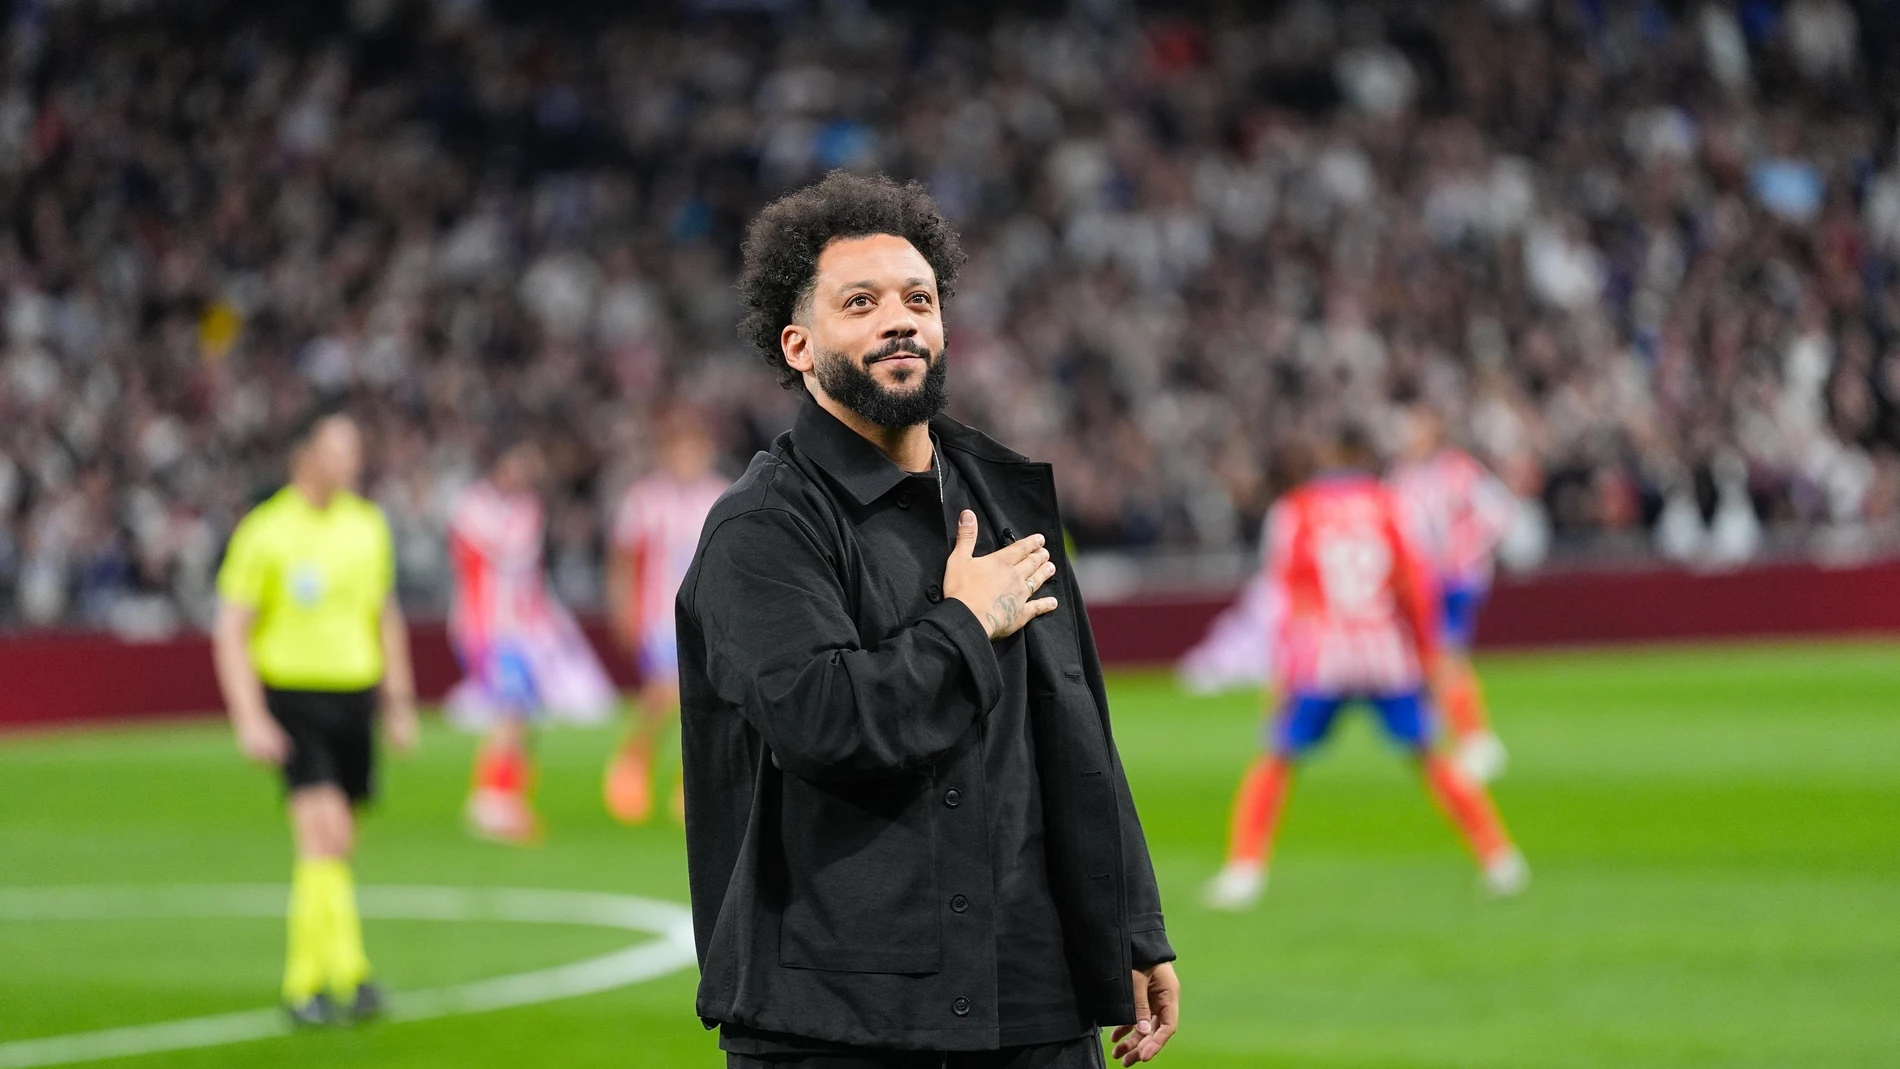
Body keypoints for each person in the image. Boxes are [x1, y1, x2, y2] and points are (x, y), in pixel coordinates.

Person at [677, 171, 1180, 1069]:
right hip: (841, 1018)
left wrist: (1133, 923)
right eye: (860, 303)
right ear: (798, 345)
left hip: (1033, 1000)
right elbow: (822, 720)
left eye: (919, 298)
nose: (899, 319)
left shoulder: (1005, 491)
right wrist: (961, 622)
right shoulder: (763, 528)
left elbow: (1072, 725)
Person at [1202, 427, 1527, 912]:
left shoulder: (1295, 510)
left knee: (1277, 758)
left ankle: (1243, 871)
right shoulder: (1393, 505)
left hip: (1322, 659)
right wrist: (1429, 654)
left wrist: (1281, 673)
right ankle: (1500, 859)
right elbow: (1415, 586)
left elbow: (1286, 598)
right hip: (1385, 655)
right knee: (1429, 756)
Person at [211, 407, 418, 1026]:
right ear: (305, 453)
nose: (351, 459)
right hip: (295, 699)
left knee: (340, 843)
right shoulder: (266, 531)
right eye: (339, 447)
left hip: (353, 698)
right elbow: (231, 629)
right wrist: (249, 716)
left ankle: (346, 977)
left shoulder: (367, 525)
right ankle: (309, 985)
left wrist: (399, 702)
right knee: (319, 834)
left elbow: (385, 615)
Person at [446, 433, 617, 844]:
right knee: (510, 711)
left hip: (520, 631)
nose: (526, 472)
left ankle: (503, 797)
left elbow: (527, 572)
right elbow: (494, 554)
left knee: (521, 715)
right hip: (485, 628)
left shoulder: (526, 509)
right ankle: (492, 802)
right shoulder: (472, 507)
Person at [603, 405, 729, 825]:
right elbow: (622, 559)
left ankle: (687, 782)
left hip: (708, 617)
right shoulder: (644, 499)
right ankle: (633, 762)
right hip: (660, 614)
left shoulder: (721, 493)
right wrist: (623, 607)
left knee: (704, 702)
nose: (688, 459)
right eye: (680, 451)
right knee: (662, 694)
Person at [1389, 402, 1518, 782]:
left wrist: (1466, 549)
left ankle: (1477, 740)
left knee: (1445, 655)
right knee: (1428, 656)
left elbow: (1499, 512)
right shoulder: (1400, 476)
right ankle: (1442, 728)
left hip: (1453, 579)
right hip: (1419, 579)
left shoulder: (1456, 470)